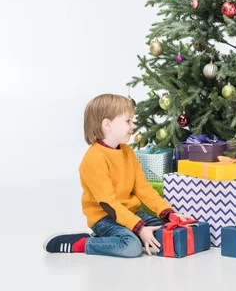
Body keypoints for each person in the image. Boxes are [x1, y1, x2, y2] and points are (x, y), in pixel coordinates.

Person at [43, 94, 191, 257]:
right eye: (128, 121)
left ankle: (132, 234)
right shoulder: (94, 159)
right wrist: (140, 228)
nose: (133, 126)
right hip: (105, 218)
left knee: (168, 229)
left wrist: (168, 213)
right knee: (131, 247)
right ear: (107, 125)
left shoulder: (127, 152)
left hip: (129, 214)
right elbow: (109, 204)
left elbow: (143, 189)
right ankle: (83, 243)